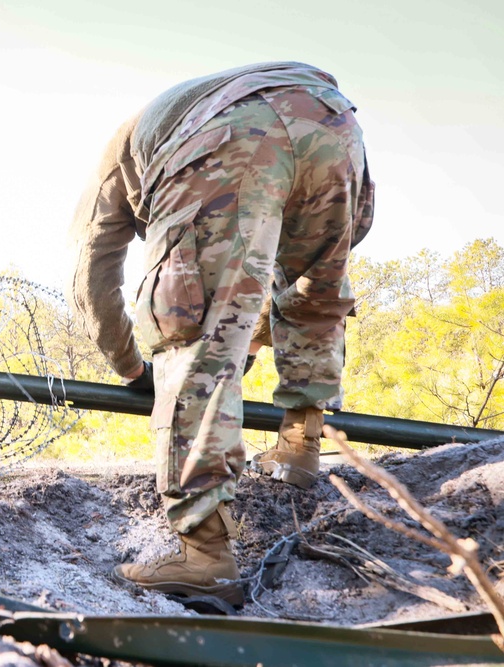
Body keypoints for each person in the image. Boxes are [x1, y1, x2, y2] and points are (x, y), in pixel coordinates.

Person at [67, 62, 375, 606]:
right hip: (334, 124)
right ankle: (299, 449)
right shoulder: (176, 113)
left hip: (232, 135)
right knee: (315, 290)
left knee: (190, 332)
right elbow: (303, 274)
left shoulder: (116, 166)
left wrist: (132, 369)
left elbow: (92, 278)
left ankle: (204, 555)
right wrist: (252, 337)